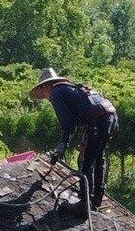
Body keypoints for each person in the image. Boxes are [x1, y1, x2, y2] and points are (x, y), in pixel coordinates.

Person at [30, 70, 119, 212]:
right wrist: (63, 145)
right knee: (97, 159)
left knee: (84, 162)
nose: (46, 97)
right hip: (110, 118)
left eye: (44, 94)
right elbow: (74, 122)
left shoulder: (56, 92)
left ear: (44, 87)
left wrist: (61, 146)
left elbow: (68, 124)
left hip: (98, 122)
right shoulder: (72, 88)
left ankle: (85, 203)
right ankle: (96, 198)